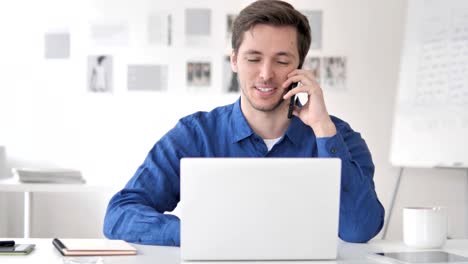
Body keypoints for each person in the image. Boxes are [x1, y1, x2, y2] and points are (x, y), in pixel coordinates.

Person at [103, 0, 384, 246]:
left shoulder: (338, 137)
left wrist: (323, 130)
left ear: (300, 66)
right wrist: (201, 233)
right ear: (235, 60)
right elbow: (120, 215)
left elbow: (359, 229)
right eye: (253, 58)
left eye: (282, 61)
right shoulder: (195, 134)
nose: (265, 74)